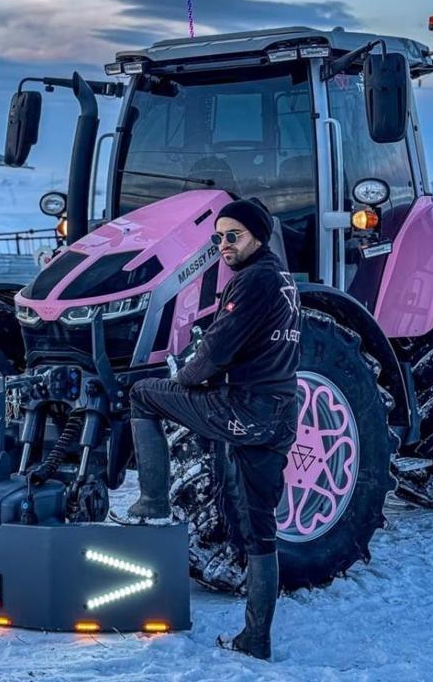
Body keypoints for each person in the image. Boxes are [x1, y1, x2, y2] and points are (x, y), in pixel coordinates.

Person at [125, 197, 301, 660]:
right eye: (218, 237)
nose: (223, 245)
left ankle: (154, 500)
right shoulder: (284, 280)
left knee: (144, 395)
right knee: (262, 530)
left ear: (257, 237)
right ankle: (256, 637)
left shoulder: (253, 280)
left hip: (245, 408)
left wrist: (180, 379)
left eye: (234, 236)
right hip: (281, 413)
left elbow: (215, 351)